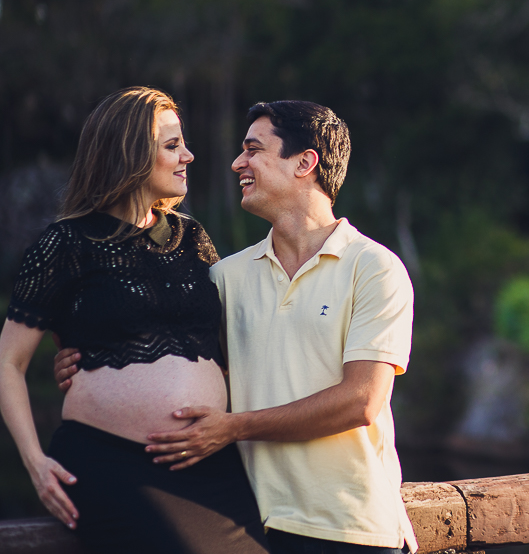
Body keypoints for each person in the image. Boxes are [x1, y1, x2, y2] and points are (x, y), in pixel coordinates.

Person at [63, 100, 420, 554]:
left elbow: (361, 401)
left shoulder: (373, 268)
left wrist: (234, 427)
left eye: (253, 150)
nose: (237, 163)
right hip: (256, 527)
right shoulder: (226, 276)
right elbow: (179, 363)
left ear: (305, 163)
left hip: (353, 528)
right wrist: (89, 359)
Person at [0, 87, 269, 553]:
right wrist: (34, 462)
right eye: (171, 146)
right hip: (112, 461)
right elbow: (8, 363)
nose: (188, 155)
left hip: (209, 459)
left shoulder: (192, 238)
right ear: (128, 153)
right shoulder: (65, 244)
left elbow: (226, 344)